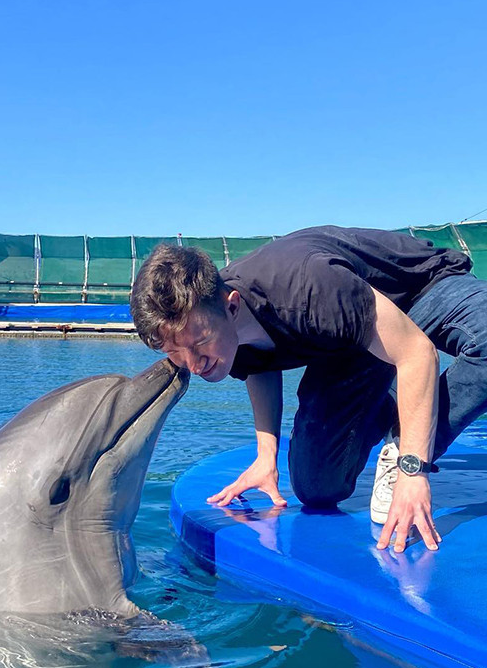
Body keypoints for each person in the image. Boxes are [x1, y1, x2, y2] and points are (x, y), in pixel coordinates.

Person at [130, 226, 487, 553]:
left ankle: (404, 442)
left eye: (200, 344)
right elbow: (258, 366)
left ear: (232, 306)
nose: (194, 364)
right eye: (175, 352)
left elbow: (417, 353)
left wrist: (413, 470)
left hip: (418, 287)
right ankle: (403, 407)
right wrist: (265, 455)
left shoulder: (306, 288)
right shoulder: (212, 332)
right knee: (317, 487)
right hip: (351, 337)